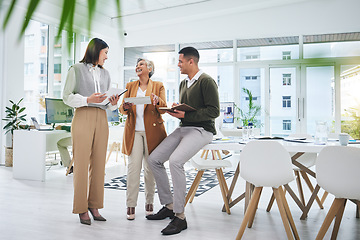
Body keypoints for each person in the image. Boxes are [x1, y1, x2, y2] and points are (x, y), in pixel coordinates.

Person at [146, 47, 220, 235]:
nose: (178, 65)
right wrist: (175, 110)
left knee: (176, 162)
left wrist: (186, 114)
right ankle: (169, 206)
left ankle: (180, 217)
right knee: (154, 159)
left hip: (202, 130)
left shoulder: (207, 81)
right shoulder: (183, 83)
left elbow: (214, 111)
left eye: (180, 62)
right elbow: (187, 110)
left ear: (191, 62)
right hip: (183, 128)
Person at [63, 38, 120, 225]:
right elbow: (66, 97)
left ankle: (94, 205)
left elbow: (108, 105)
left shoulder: (106, 74)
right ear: (96, 51)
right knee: (80, 164)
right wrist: (88, 99)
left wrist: (113, 104)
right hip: (83, 116)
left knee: (99, 164)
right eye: (105, 53)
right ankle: (81, 208)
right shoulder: (75, 70)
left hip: (101, 119)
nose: (107, 57)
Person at [119, 58, 167, 220]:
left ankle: (149, 202)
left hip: (152, 132)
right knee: (133, 168)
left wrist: (157, 101)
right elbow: (123, 108)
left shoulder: (158, 86)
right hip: (134, 132)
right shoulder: (130, 86)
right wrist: (124, 107)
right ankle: (130, 205)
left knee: (150, 169)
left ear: (150, 68)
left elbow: (163, 108)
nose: (138, 66)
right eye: (137, 64)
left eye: (141, 64)